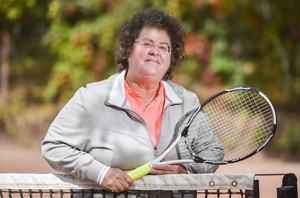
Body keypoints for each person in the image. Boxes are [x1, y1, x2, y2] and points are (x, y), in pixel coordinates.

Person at [41, 8, 224, 193]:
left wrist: (186, 171)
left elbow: (212, 152)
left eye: (163, 47)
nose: (155, 51)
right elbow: (54, 146)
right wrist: (101, 173)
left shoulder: (188, 102)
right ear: (128, 49)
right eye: (147, 44)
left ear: (171, 57)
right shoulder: (91, 98)